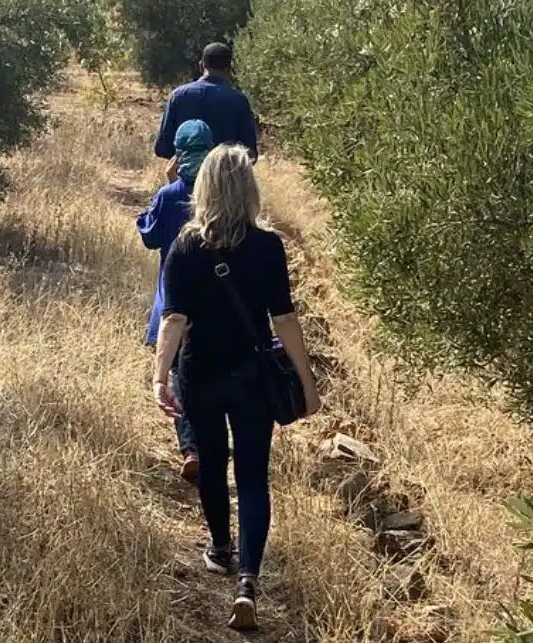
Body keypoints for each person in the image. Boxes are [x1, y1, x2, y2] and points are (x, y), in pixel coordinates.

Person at [152, 144, 321, 631]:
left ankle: (220, 550)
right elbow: (285, 320)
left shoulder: (186, 246)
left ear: (202, 187)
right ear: (249, 189)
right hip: (252, 377)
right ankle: (248, 579)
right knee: (252, 477)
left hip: (200, 373)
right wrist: (306, 382)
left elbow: (175, 319)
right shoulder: (268, 246)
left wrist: (159, 376)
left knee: (210, 462)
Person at [137, 118, 215, 482]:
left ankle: (191, 448)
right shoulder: (219, 197)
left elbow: (150, 237)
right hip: (215, 300)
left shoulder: (169, 197)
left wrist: (164, 188)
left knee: (181, 375)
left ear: (179, 155)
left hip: (174, 300)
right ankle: (213, 443)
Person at [153, 42, 259, 182]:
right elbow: (249, 155)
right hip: (223, 189)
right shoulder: (238, 101)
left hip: (184, 185)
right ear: (230, 68)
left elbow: (162, 148)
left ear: (201, 65)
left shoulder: (178, 96)